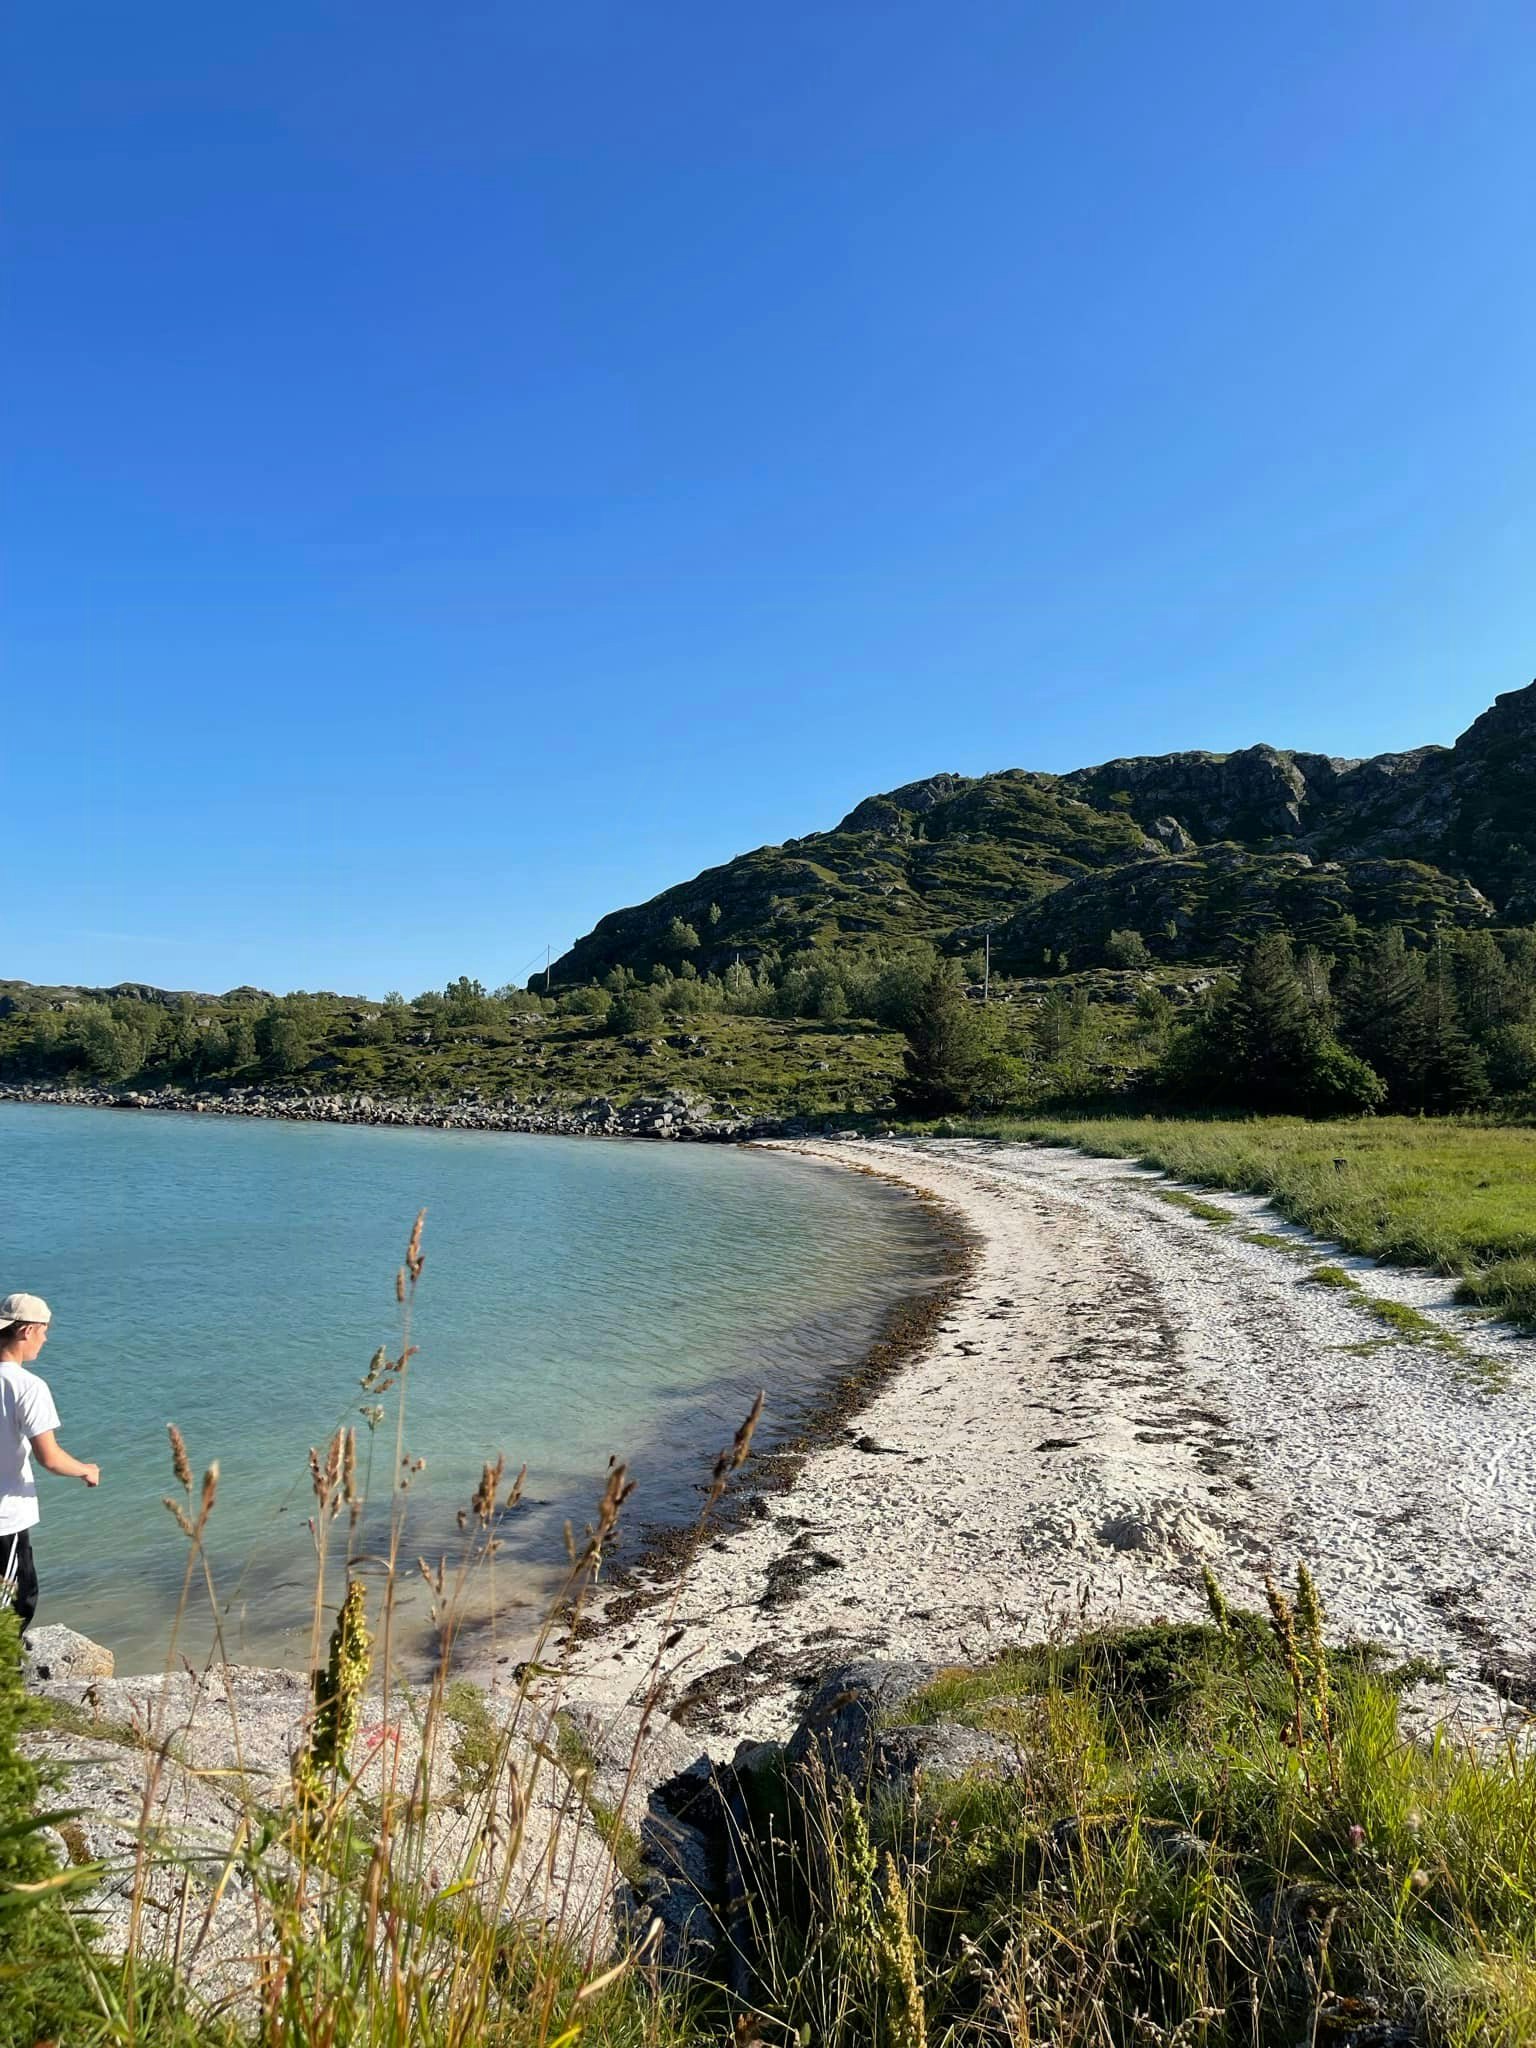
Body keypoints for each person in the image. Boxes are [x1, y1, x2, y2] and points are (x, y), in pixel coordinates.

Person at [0, 1293, 99, 1634]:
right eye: (44, 1331)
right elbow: (50, 1458)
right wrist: (86, 1469)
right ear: (26, 1331)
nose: (45, 1339)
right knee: (15, 1610)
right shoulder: (27, 1387)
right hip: (5, 1521)